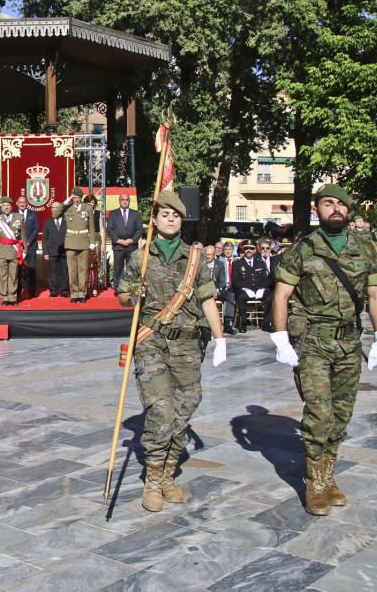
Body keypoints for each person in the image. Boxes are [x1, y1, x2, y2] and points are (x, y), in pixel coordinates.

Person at [271, 183, 377, 515]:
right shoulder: (302, 249)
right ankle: (314, 483)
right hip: (313, 342)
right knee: (319, 412)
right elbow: (281, 294)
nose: (335, 209)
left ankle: (328, 475)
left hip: (350, 342)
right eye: (328, 203)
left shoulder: (365, 248)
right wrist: (281, 338)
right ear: (317, 209)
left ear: (349, 209)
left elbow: (376, 294)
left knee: (340, 414)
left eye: (341, 204)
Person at [117, 190, 227, 513]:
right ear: (155, 218)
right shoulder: (141, 257)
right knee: (161, 409)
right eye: (164, 214)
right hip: (151, 341)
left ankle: (168, 473)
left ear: (182, 220)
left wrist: (220, 338)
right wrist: (132, 296)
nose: (170, 219)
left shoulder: (193, 258)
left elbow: (207, 299)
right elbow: (123, 296)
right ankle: (152, 477)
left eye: (175, 215)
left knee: (186, 406)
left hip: (188, 344)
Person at [53, 187, 97, 303]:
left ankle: (82, 293)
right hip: (71, 242)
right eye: (74, 197)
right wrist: (64, 203)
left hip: (83, 241)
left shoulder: (88, 208)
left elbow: (91, 226)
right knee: (72, 270)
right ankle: (74, 293)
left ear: (81, 198)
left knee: (83, 269)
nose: (76, 199)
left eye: (77, 197)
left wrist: (92, 242)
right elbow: (55, 215)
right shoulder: (67, 208)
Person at [232, 243, 274, 332]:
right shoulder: (238, 263)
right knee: (241, 296)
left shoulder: (260, 263)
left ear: (255, 250)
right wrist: (245, 288)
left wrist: (262, 288)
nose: (249, 250)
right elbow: (235, 281)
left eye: (251, 248)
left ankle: (266, 323)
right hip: (244, 290)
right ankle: (243, 324)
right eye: (246, 248)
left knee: (271, 296)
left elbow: (265, 279)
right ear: (243, 250)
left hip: (259, 289)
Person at [108, 193, 143, 290]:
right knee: (118, 268)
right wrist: (118, 240)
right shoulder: (113, 213)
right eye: (122, 199)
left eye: (126, 199)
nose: (124, 201)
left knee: (131, 268)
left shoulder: (136, 214)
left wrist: (132, 240)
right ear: (119, 201)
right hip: (118, 246)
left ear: (129, 201)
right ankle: (118, 288)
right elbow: (110, 229)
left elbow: (140, 229)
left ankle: (130, 288)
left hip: (131, 246)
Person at [42, 201, 69, 297]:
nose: (55, 209)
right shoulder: (47, 222)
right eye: (53, 207)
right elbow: (44, 239)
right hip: (52, 251)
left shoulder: (67, 221)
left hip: (65, 251)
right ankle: (53, 290)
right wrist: (45, 252)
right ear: (51, 209)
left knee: (64, 271)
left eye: (57, 207)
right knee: (52, 272)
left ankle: (64, 290)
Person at [16, 195, 40, 298]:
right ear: (17, 203)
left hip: (31, 246)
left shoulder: (32, 214)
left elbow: (36, 229)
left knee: (31, 269)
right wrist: (19, 242)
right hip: (17, 247)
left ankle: (32, 291)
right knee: (17, 270)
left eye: (24, 202)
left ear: (27, 204)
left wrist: (28, 241)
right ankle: (17, 291)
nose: (22, 204)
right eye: (20, 202)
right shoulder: (13, 215)